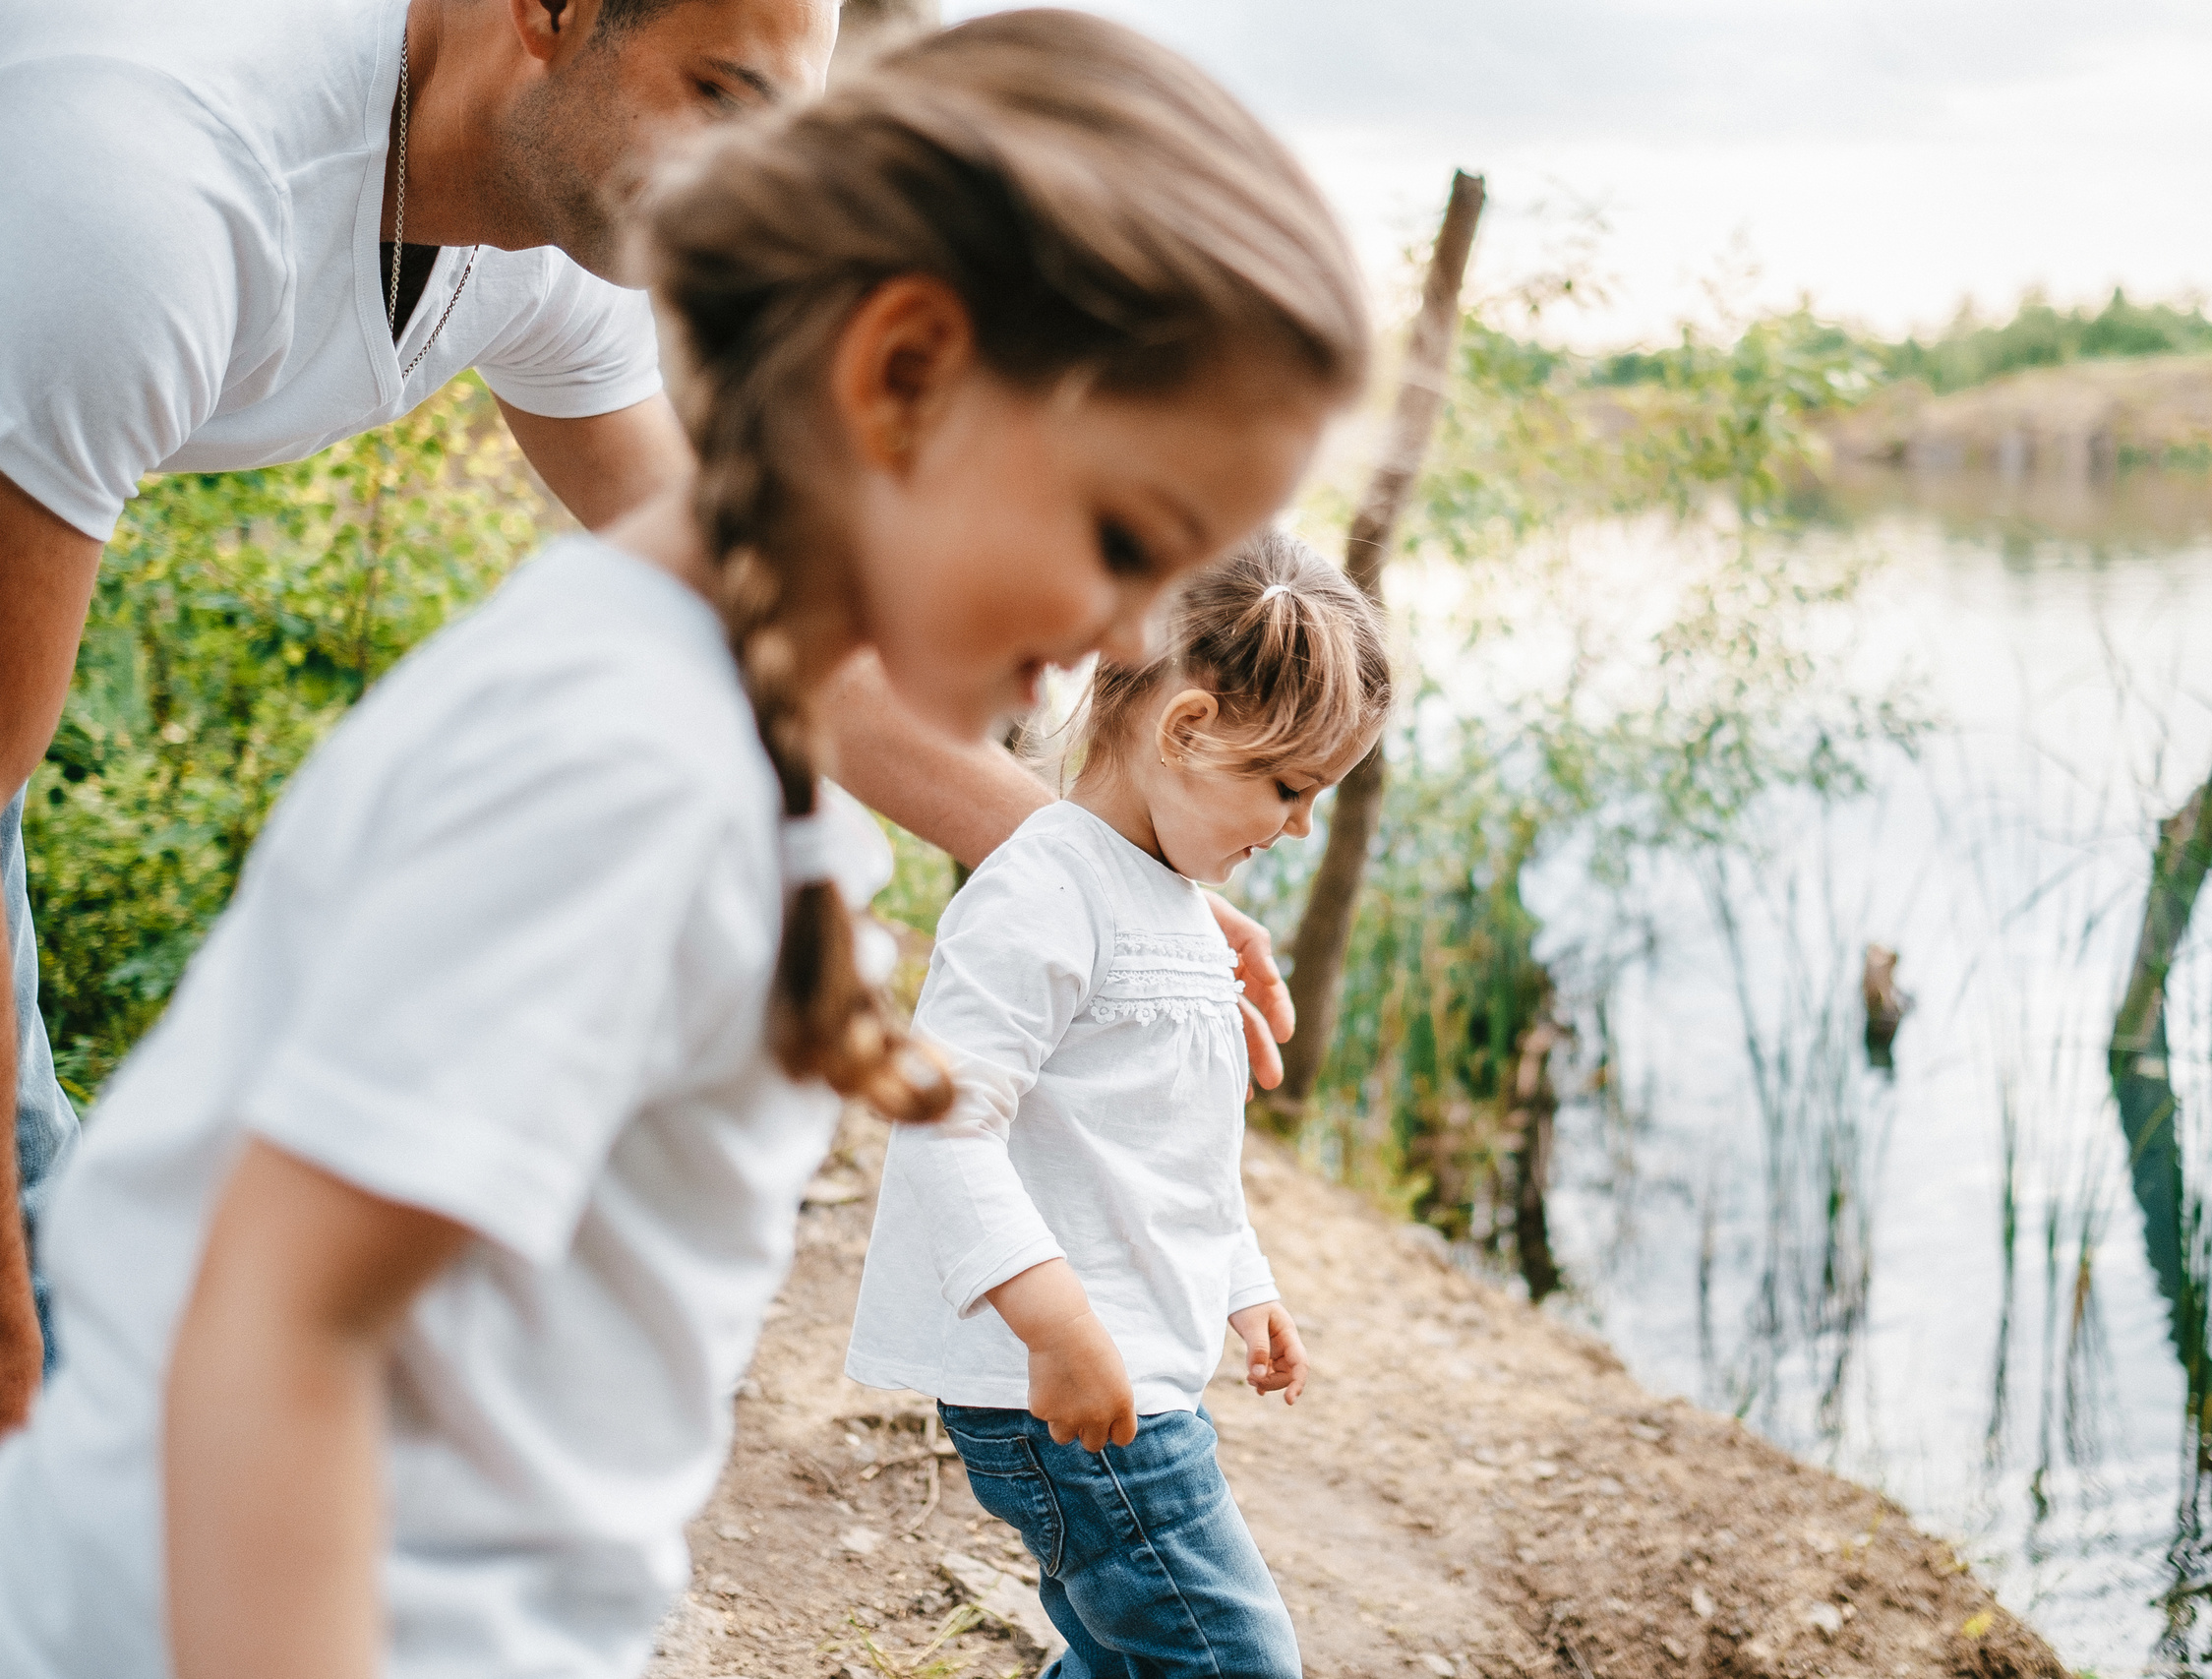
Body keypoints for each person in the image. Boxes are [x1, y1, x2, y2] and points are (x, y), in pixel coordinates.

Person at [0, 13, 1368, 1679]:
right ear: (902, 377)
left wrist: (1103, 896)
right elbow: (284, 1327)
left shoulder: (714, 719)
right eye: (1120, 533)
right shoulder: (634, 774)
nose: (1130, 633)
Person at [846, 532, 1391, 1677]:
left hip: (1126, 1372)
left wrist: (1245, 1288)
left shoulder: (1180, 904)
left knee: (1126, 1652)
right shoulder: (1043, 892)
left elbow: (1167, 1145)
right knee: (1231, 1660)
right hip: (1064, 1389)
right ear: (1188, 729)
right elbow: (944, 1118)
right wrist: (1056, 1326)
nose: (1296, 827)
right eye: (1286, 788)